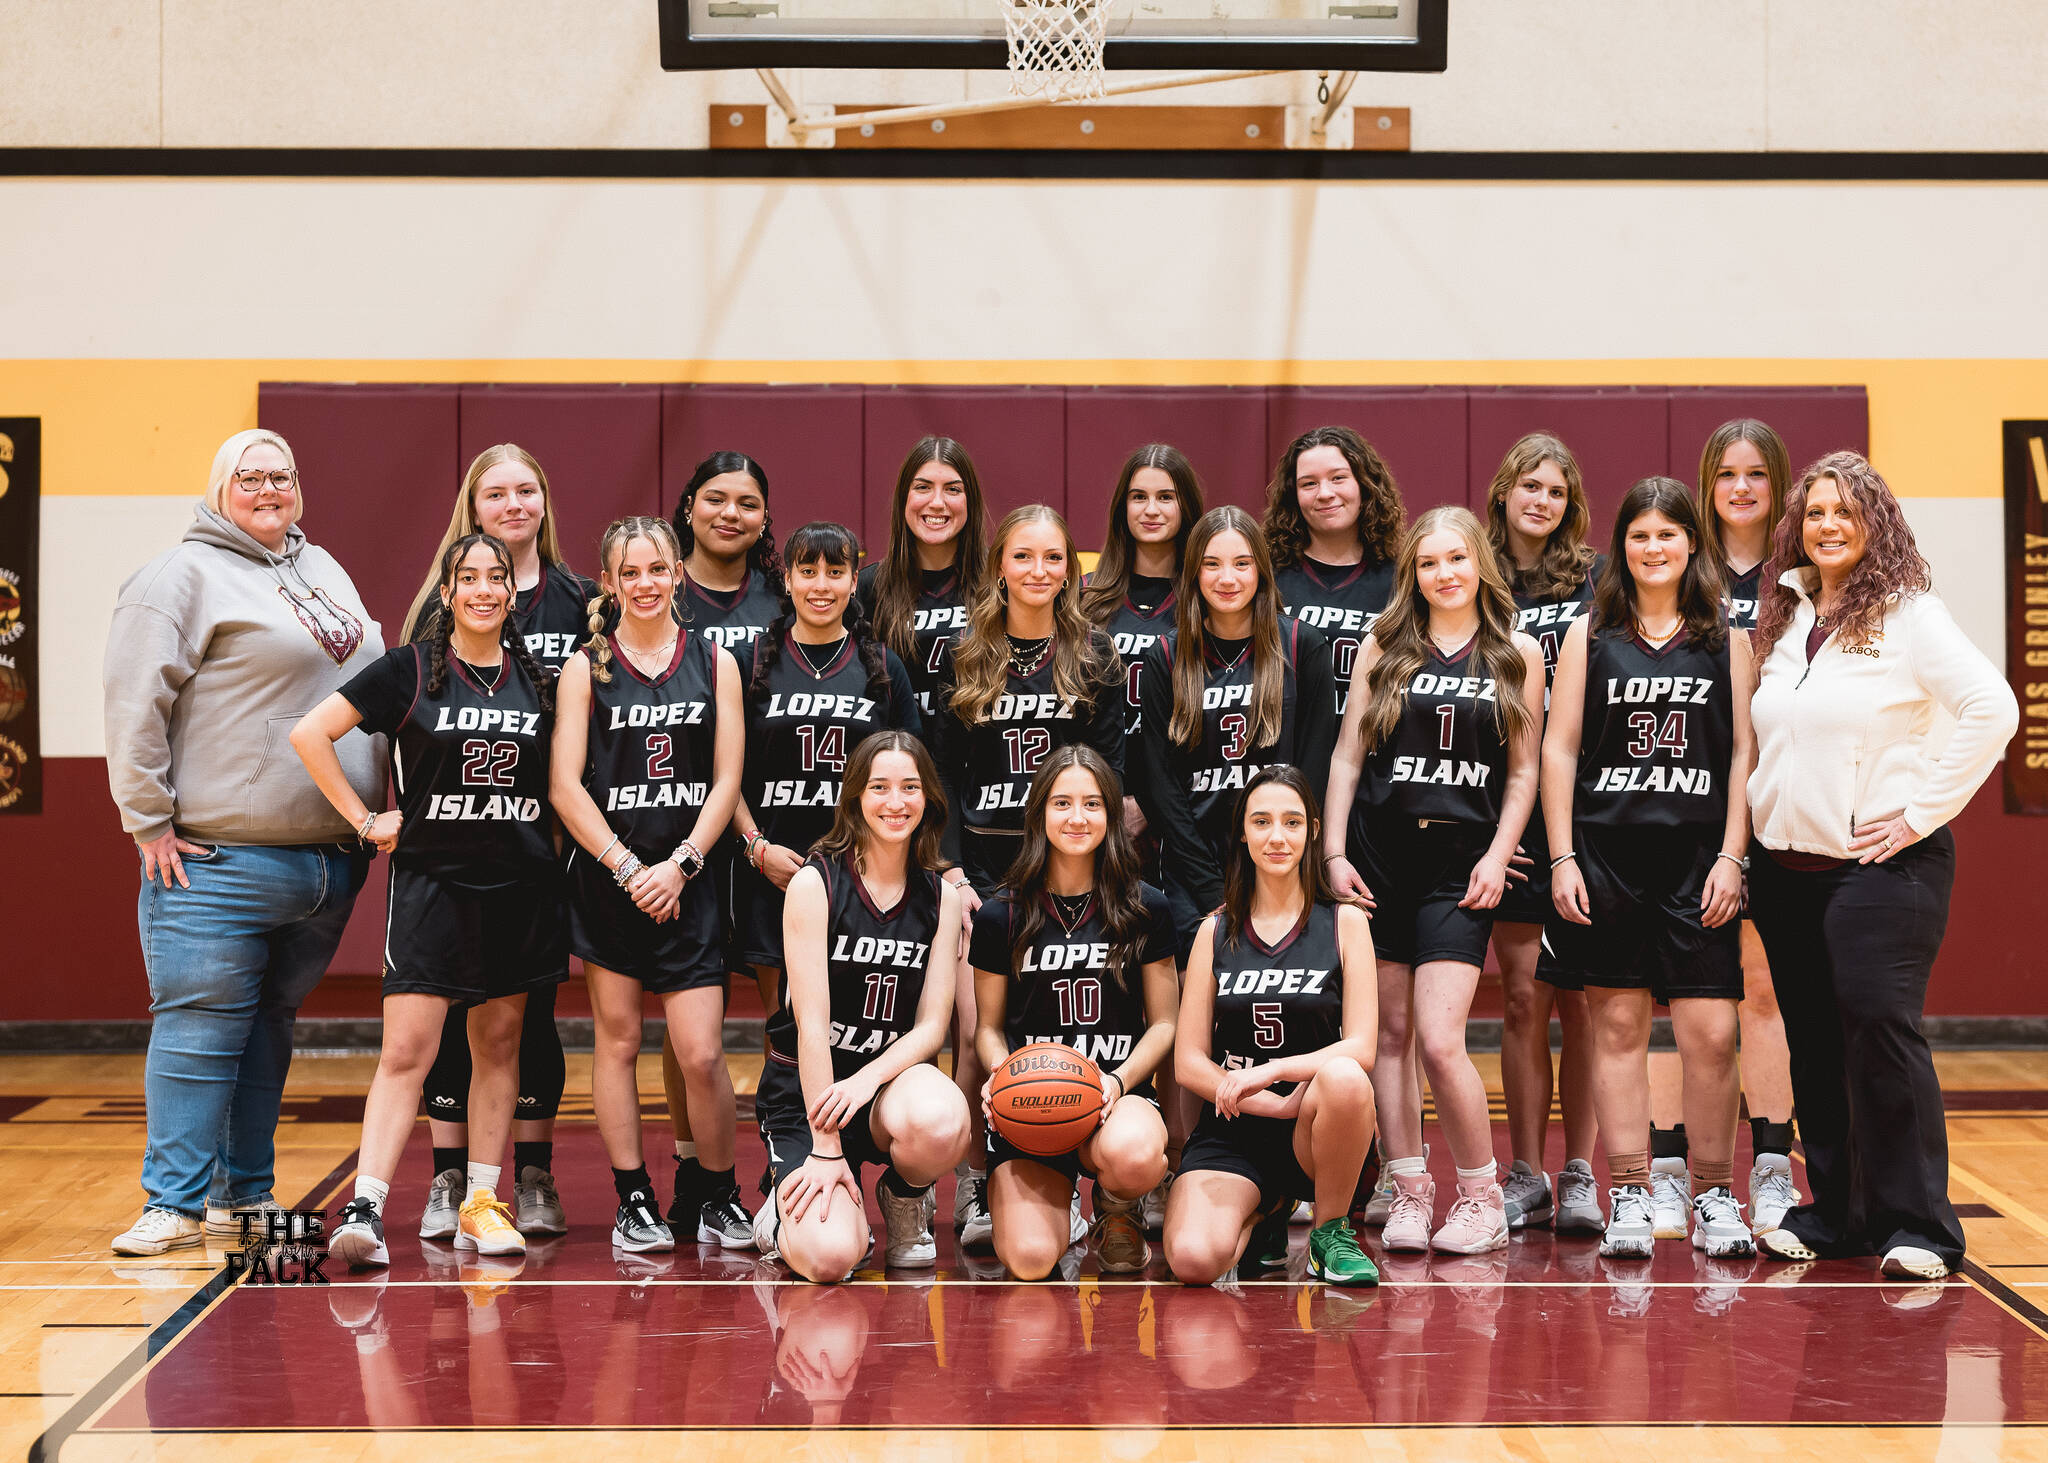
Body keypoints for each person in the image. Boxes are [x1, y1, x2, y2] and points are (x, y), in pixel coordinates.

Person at [104, 429, 382, 1255]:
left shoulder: (320, 566)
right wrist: (146, 817)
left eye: (283, 476)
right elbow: (132, 700)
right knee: (197, 1028)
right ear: (220, 486)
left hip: (326, 862)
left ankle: (244, 1194)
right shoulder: (178, 576)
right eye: (251, 477)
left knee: (269, 1027)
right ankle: (172, 1202)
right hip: (220, 858)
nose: (269, 489)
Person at [1745, 452, 2016, 1281]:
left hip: (1881, 867)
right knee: (1818, 1043)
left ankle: (1920, 1226)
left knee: (1879, 1031)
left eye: (1846, 512)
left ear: (1877, 523)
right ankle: (1837, 1212)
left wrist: (1920, 810)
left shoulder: (1909, 612)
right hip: (1788, 867)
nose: (1829, 524)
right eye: (1816, 510)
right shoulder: (1788, 614)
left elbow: (1991, 707)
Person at [294, 532, 562, 1268]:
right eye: (467, 577)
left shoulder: (539, 677)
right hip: (432, 886)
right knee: (407, 1051)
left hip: (519, 889)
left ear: (512, 592)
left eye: (495, 577)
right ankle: (366, 1208)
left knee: (498, 1048)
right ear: (446, 594)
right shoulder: (410, 670)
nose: (482, 588)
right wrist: (363, 819)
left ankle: (481, 1199)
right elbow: (311, 732)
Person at [1540, 477, 1758, 1260]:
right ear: (1620, 547)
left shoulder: (1726, 639)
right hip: (1607, 855)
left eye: (1669, 534)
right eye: (1640, 535)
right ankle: (1628, 1190)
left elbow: (1742, 752)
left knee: (1710, 1031)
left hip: (1698, 860)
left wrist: (1734, 853)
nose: (1655, 547)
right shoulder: (1587, 636)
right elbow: (1558, 748)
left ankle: (1714, 1194)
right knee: (1619, 1027)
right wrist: (1562, 854)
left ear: (1691, 545)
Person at [1323, 506, 1545, 1255]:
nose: (1443, 573)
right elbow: (1348, 757)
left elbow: (1524, 772)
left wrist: (1498, 851)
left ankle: (1482, 1196)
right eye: (1427, 563)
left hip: (1460, 863)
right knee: (1387, 1033)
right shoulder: (1384, 644)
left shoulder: (1517, 650)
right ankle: (1410, 1188)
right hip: (1382, 856)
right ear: (1411, 574)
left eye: (1456, 558)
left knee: (1442, 1040)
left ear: (1480, 560)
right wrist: (1332, 852)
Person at [401, 443, 597, 1246]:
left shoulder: (582, 601)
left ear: (544, 502)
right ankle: (451, 1176)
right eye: (496, 493)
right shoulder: (434, 611)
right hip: (452, 850)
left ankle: (533, 1170)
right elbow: (406, 732)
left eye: (527, 490)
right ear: (472, 511)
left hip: (542, 849)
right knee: (450, 1017)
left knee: (530, 1015)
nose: (514, 504)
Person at [549, 516, 747, 1252]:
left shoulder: (714, 660)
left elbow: (728, 776)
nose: (645, 583)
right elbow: (565, 786)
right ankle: (634, 1199)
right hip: (613, 882)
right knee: (620, 1039)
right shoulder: (586, 666)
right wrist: (629, 868)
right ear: (609, 582)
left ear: (677, 574)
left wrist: (684, 863)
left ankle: (721, 1195)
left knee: (700, 1052)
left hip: (690, 881)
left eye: (657, 569)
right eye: (629, 572)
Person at [932, 502, 1126, 1243]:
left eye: (1054, 558)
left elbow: (1106, 773)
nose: (1039, 571)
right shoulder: (964, 650)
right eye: (1024, 556)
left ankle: (1114, 1178)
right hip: (983, 870)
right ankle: (976, 1181)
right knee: (973, 1029)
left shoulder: (1093, 654)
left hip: (1069, 866)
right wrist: (951, 866)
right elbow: (940, 770)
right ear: (1000, 566)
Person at [1637, 418, 1802, 1236]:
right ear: (1707, 484)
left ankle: (1772, 1162)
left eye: (1756, 475)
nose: (1740, 488)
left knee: (1766, 989)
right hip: (1694, 804)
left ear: (1778, 486)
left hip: (1785, 804)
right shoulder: (1681, 569)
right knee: (1682, 997)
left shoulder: (1803, 575)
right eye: (1726, 473)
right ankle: (1669, 1167)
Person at [753, 731, 972, 1282]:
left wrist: (864, 1083)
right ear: (854, 797)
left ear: (928, 799)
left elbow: (930, 1029)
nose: (895, 802)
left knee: (944, 1119)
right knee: (830, 1260)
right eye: (879, 787)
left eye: (909, 788)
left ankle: (903, 1199)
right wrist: (825, 1143)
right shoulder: (815, 882)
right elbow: (810, 1025)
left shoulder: (941, 897)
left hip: (882, 1094)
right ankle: (780, 1214)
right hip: (810, 1092)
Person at [1163, 766, 1379, 1286]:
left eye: (1291, 822)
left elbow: (1362, 1046)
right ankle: (1266, 1209)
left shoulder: (1345, 922)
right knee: (1193, 1261)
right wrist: (1265, 1100)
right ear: (1242, 832)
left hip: (1318, 1127)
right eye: (1261, 822)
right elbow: (1188, 1062)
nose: (1277, 837)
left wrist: (1275, 1073)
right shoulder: (1215, 930)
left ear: (1312, 831)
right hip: (1235, 1128)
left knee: (1346, 1075)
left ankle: (1330, 1232)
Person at [851, 436, 991, 1239]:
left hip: (990, 824)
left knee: (977, 1019)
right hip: (904, 823)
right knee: (904, 1005)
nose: (936, 501)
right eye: (922, 487)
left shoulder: (992, 586)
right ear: (902, 498)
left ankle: (973, 1178)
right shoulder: (873, 589)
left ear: (971, 502)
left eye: (952, 487)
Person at [972, 747, 1179, 1278]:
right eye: (1062, 803)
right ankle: (1056, 1200)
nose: (1077, 817)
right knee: (1030, 1260)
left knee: (1133, 1154)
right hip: (1032, 1102)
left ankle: (1116, 1204)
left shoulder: (1146, 907)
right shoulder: (1003, 914)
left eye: (1092, 803)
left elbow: (1164, 1024)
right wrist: (1002, 1076)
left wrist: (1117, 1082)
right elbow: (988, 1029)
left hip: (1114, 1095)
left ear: (1111, 815)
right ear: (1039, 812)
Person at [1481, 432, 1603, 1234]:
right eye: (1530, 484)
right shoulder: (1475, 577)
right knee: (1524, 998)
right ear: (1504, 491)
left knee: (1587, 1000)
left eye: (1556, 490)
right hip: (1505, 804)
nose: (1542, 500)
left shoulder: (1596, 580)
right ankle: (1525, 1169)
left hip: (1590, 802)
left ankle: (1583, 1170)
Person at [661, 449, 785, 1236]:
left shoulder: (784, 596)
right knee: (689, 1030)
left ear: (765, 518)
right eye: (715, 498)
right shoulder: (659, 595)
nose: (730, 513)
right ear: (689, 507)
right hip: (692, 836)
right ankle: (694, 1171)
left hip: (777, 835)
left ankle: (787, 1160)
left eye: (747, 501)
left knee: (790, 1014)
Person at [1080, 444, 1203, 1233]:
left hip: (1179, 822)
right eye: (1139, 495)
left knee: (1181, 1004)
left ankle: (1176, 1166)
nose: (1153, 509)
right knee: (1111, 997)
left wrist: (1154, 807)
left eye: (1166, 495)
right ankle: (1110, 1165)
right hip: (1096, 826)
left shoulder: (1208, 593)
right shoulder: (1091, 601)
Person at [732, 521, 923, 1024]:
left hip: (863, 877)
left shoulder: (883, 665)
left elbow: (916, 778)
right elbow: (720, 775)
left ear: (854, 578)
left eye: (835, 571)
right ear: (788, 581)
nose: (821, 585)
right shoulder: (748, 662)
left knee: (855, 1024)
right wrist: (757, 848)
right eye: (808, 571)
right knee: (788, 1029)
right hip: (775, 871)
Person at [1136, 506, 1336, 957]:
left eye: (1242, 563)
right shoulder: (1165, 658)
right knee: (1201, 1009)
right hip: (1194, 868)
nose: (1227, 578)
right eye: (1211, 564)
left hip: (1284, 859)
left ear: (1261, 571)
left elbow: (1315, 767)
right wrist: (1208, 885)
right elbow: (1159, 783)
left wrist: (1281, 861)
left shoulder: (1302, 645)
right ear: (1192, 574)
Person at [1261, 425, 1405, 719]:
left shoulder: (1402, 579)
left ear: (1364, 484)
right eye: (1309, 483)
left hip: (1370, 751)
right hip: (1287, 751)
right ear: (1293, 494)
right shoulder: (1267, 575)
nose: (1325, 493)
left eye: (1338, 478)